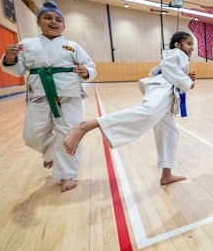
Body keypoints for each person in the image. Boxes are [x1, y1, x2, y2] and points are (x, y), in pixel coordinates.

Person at [63, 31, 196, 185]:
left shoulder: (178, 56)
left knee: (169, 133)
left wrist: (187, 80)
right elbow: (167, 66)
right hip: (162, 89)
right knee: (148, 113)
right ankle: (87, 126)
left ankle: (166, 174)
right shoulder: (179, 54)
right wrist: (187, 81)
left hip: (166, 92)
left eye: (193, 44)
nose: (192, 47)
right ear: (177, 45)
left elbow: (166, 71)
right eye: (189, 43)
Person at [0, 0, 96, 192]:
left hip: (69, 95)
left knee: (68, 133)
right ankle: (51, 151)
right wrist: (10, 56)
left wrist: (85, 71)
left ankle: (67, 175)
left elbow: (91, 66)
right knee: (32, 135)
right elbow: (17, 69)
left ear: (64, 26)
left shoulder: (72, 46)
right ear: (38, 22)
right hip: (39, 94)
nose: (53, 22)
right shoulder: (27, 44)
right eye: (48, 18)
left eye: (58, 19)